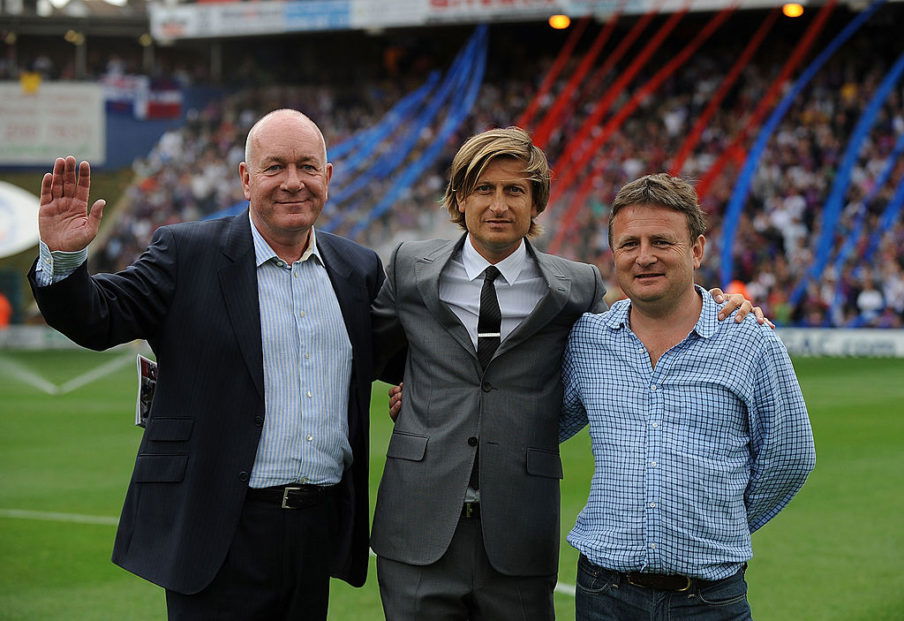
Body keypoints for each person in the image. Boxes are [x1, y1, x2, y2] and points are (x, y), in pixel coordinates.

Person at [370, 128, 760, 620]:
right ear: (459, 197)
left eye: (515, 190)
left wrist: (721, 304)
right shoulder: (411, 267)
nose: (499, 204)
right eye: (484, 188)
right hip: (416, 526)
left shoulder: (575, 287)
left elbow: (631, 327)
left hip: (519, 535)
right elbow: (370, 351)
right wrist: (421, 389)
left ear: (536, 203)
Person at [28, 109, 383, 620]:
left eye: (307, 167)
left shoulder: (358, 269)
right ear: (245, 179)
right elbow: (98, 319)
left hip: (314, 534)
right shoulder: (186, 252)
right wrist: (63, 260)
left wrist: (408, 388)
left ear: (327, 178)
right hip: (217, 533)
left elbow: (403, 354)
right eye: (274, 167)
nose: (292, 182)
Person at [561, 173, 816, 620]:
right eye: (629, 244)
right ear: (613, 253)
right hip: (605, 594)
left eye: (661, 241)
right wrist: (429, 394)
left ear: (696, 249)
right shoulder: (587, 339)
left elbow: (791, 456)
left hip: (709, 599)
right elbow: (535, 421)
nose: (644, 257)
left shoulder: (749, 341)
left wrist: (720, 523)